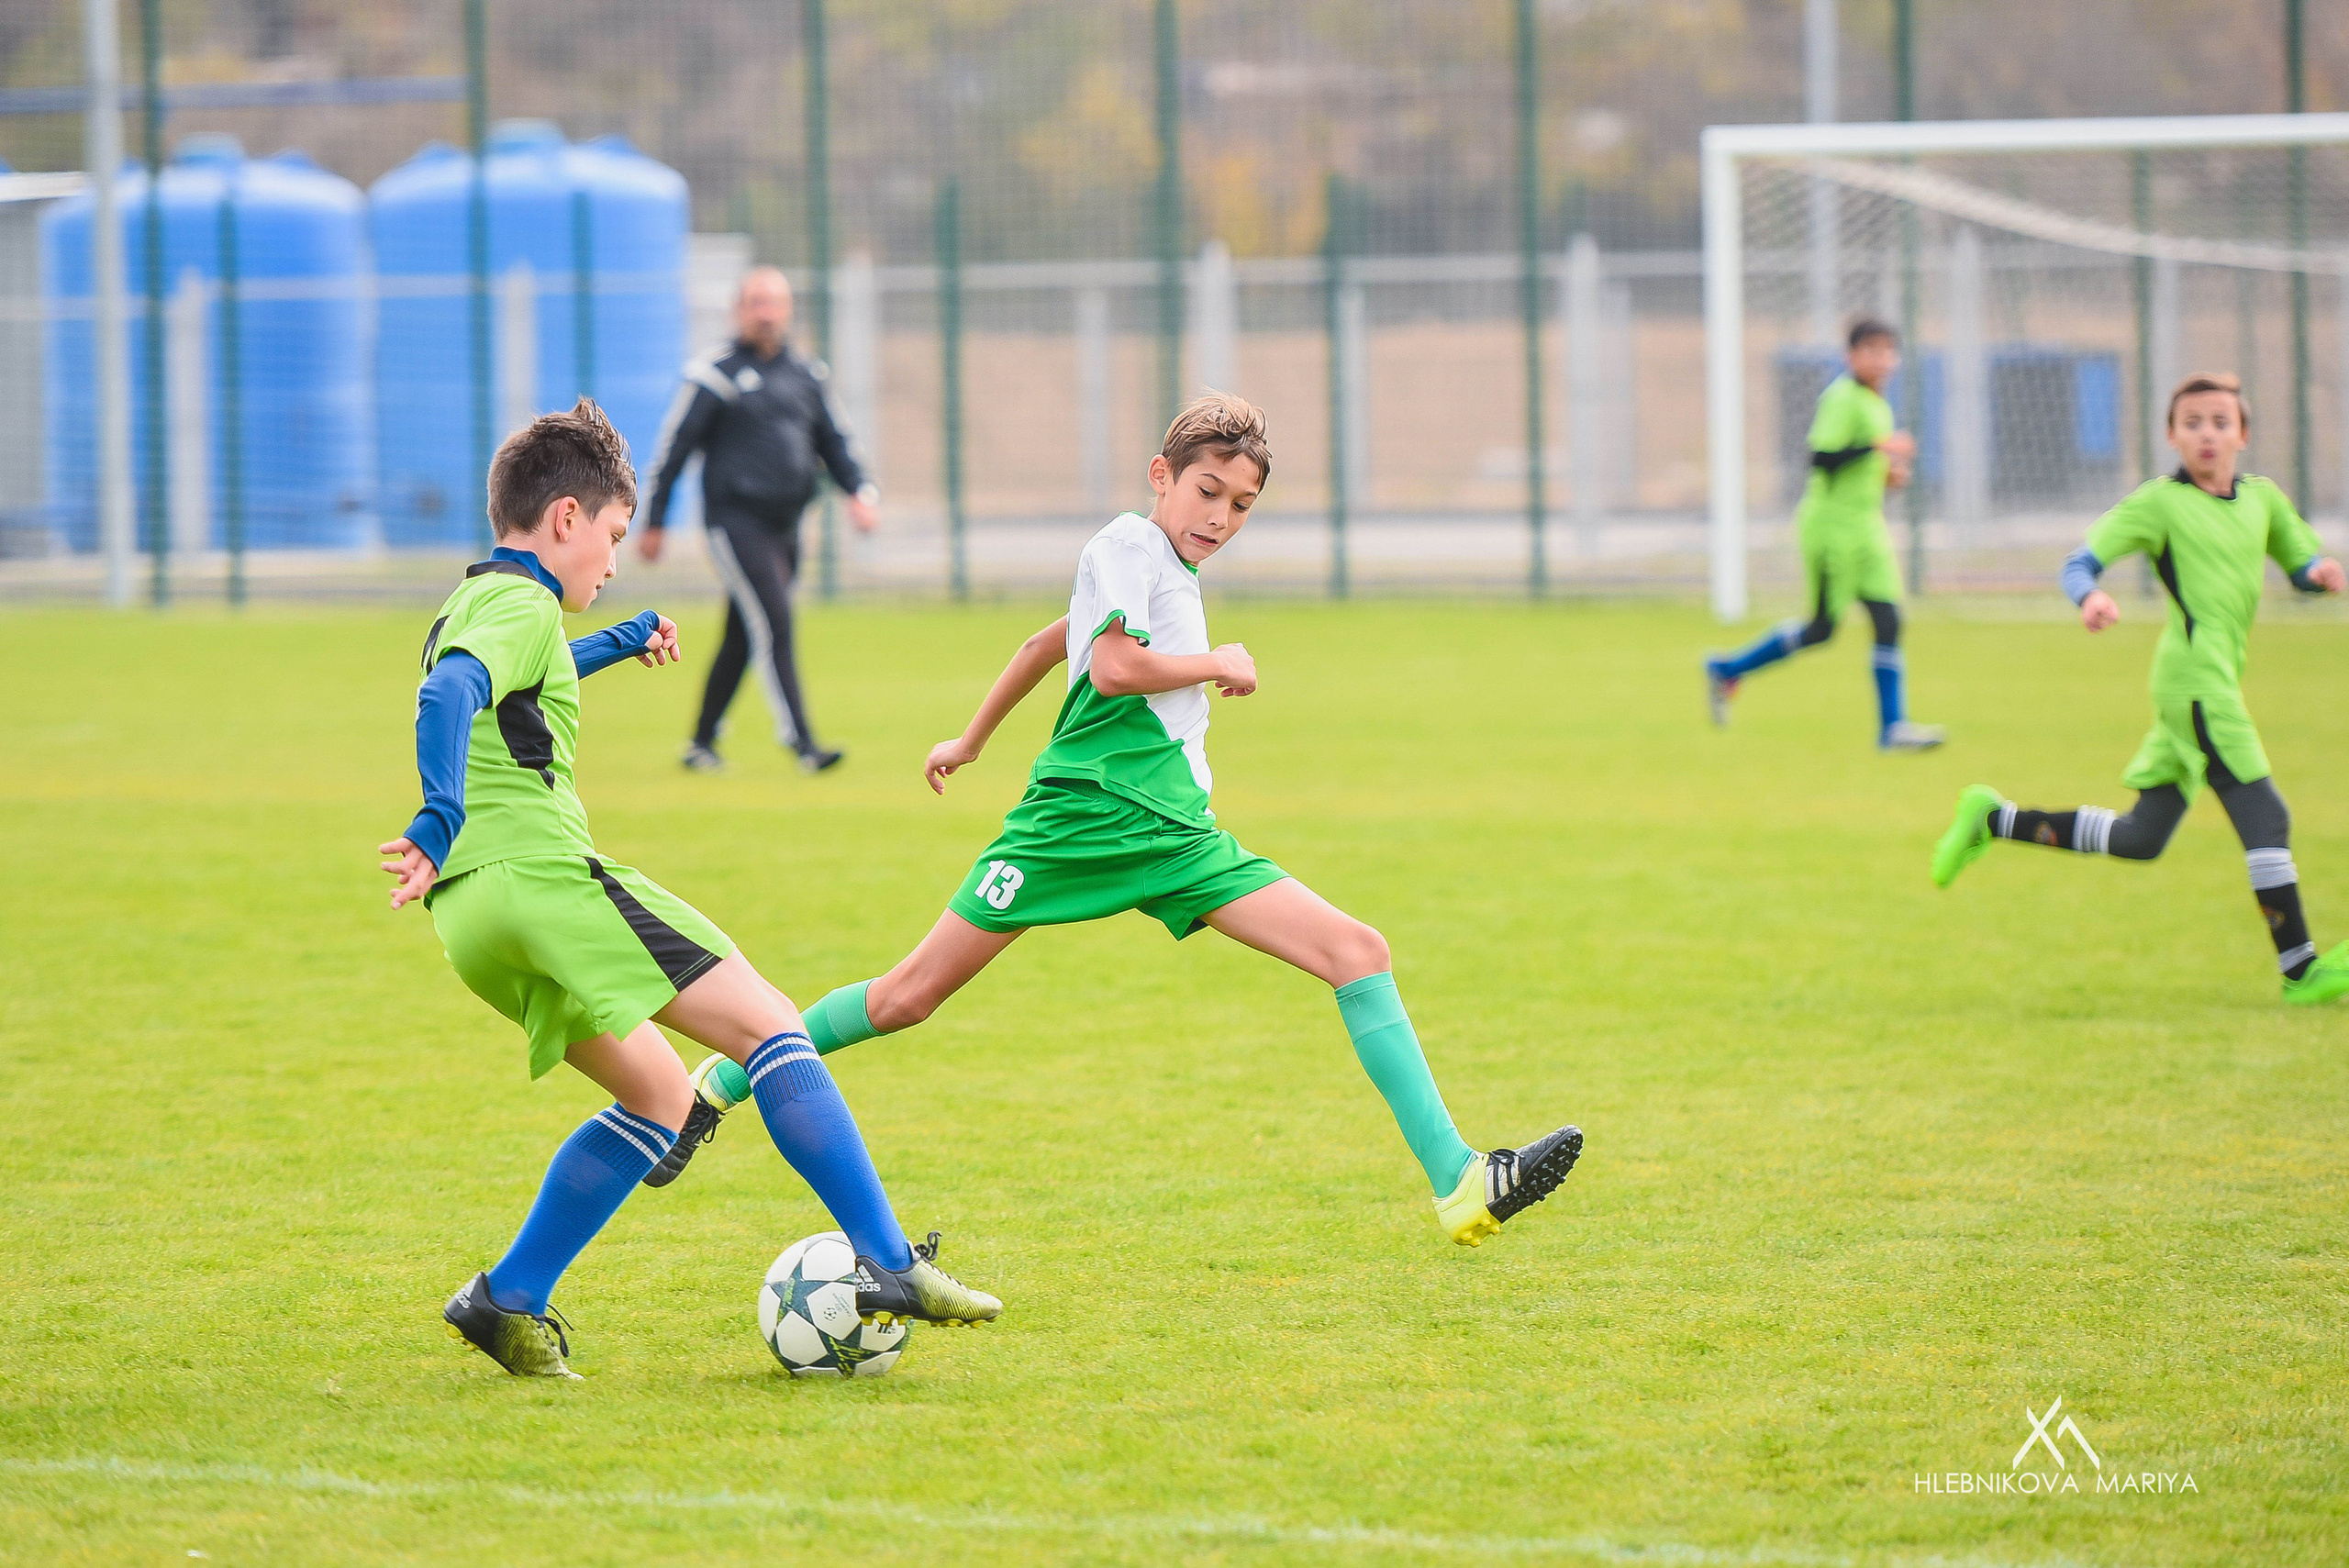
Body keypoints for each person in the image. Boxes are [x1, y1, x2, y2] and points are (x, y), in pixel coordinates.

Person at [647, 393, 1584, 1248]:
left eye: (1241, 505)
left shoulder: (1160, 563)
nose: (1219, 517)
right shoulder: (1128, 546)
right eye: (1207, 491)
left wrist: (971, 738)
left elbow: (1043, 643)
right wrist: (1217, 662)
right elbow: (1108, 669)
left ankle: (1461, 1178)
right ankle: (715, 1084)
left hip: (1174, 834)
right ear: (1160, 476)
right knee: (905, 997)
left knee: (1357, 949)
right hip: (1077, 823)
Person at [378, 399, 997, 1378]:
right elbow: (450, 692)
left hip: (474, 919)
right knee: (771, 1026)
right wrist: (436, 815)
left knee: (662, 1095)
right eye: (614, 536)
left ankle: (506, 1298)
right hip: (540, 878)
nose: (614, 562)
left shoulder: (486, 601)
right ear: (568, 518)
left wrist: (618, 643)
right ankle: (888, 1260)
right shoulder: (520, 604)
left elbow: (515, 685)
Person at [1931, 373, 2349, 1005]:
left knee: (2140, 837)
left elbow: (2300, 563)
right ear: (2171, 435)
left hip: (2204, 681)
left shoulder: (2263, 499)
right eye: (2191, 422)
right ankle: (2302, 971)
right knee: (2269, 816)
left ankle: (1992, 817)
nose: (2206, 433)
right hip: (2196, 682)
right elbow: (2078, 562)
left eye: (2218, 421)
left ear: (2243, 432)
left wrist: (2320, 572)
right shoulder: (2159, 503)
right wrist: (2091, 595)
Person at [637, 266, 878, 774]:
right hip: (734, 522)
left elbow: (834, 442)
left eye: (775, 302)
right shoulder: (715, 373)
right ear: (738, 310)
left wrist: (860, 491)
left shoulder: (807, 374)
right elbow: (673, 450)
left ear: (788, 309)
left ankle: (700, 743)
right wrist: (654, 521)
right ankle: (804, 744)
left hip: (787, 524)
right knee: (774, 621)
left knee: (743, 635)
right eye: (756, 303)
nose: (766, 313)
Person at [1705, 319, 1943, 751]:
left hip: (1867, 529)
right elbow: (1821, 459)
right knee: (1821, 629)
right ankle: (1727, 669)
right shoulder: (1841, 398)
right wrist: (1878, 450)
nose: (1881, 359)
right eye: (1871, 350)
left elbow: (1860, 464)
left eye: (1888, 351)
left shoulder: (1878, 405)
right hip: (1831, 529)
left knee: (1889, 620)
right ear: (1851, 356)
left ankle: (1894, 728)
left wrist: (1886, 474)